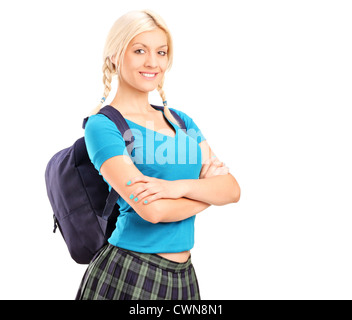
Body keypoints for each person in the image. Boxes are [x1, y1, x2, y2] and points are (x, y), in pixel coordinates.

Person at [76, 9, 241, 300]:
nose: (153, 62)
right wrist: (209, 195)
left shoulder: (181, 121)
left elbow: (232, 189)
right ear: (115, 56)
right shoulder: (103, 126)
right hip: (129, 271)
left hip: (185, 275)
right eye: (139, 50)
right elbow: (153, 211)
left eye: (161, 52)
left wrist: (176, 188)